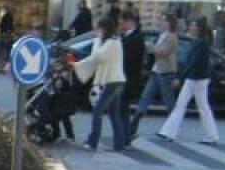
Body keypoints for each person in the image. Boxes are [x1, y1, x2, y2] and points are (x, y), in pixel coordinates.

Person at [158, 17, 219, 145]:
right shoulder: (202, 42)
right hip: (198, 78)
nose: (190, 27)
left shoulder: (199, 43)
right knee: (199, 106)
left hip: (195, 78)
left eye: (192, 25)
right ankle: (211, 135)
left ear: (198, 28)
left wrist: (180, 77)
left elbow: (192, 62)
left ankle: (169, 132)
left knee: (188, 105)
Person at [74, 16, 127, 152]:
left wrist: (97, 41)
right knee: (114, 113)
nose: (97, 31)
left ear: (105, 29)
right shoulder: (112, 41)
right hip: (116, 81)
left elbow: (97, 57)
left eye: (99, 28)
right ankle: (119, 144)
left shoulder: (113, 42)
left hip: (112, 81)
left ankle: (93, 141)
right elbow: (96, 57)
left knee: (98, 110)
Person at [130, 13, 179, 139]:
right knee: (145, 97)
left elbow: (163, 52)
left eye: (164, 21)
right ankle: (133, 125)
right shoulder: (160, 36)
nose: (161, 23)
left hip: (166, 72)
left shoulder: (172, 37)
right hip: (156, 71)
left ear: (170, 23)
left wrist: (151, 47)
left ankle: (171, 130)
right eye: (161, 21)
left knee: (169, 102)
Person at [118, 11, 146, 144]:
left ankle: (126, 136)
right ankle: (127, 135)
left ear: (129, 22)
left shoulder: (136, 38)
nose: (121, 25)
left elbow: (128, 60)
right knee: (122, 110)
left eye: (123, 22)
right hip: (124, 79)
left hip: (128, 80)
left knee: (121, 109)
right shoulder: (126, 37)